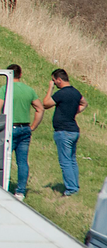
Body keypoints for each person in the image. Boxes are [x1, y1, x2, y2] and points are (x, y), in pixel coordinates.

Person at [0, 64, 43, 200]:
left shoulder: (5, 89)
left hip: (10, 128)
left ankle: (2, 185)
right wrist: (33, 126)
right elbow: (40, 109)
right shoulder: (29, 90)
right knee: (22, 161)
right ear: (20, 74)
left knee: (3, 158)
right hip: (25, 128)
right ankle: (20, 191)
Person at [43, 68, 87, 196]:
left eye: (54, 80)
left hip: (63, 131)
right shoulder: (75, 92)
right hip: (74, 130)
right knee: (72, 160)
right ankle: (75, 186)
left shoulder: (61, 93)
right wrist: (74, 111)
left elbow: (46, 104)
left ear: (59, 80)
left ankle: (71, 189)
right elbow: (85, 103)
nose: (54, 83)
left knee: (65, 161)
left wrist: (50, 89)